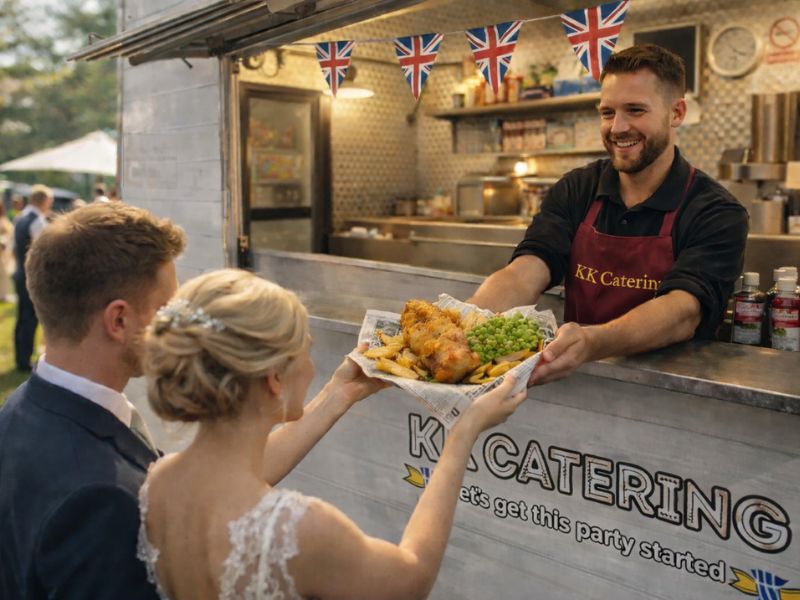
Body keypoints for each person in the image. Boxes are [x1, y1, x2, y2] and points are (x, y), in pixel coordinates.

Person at [138, 269, 527, 598]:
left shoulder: (159, 481)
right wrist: (463, 432)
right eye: (306, 352)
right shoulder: (298, 528)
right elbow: (411, 579)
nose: (311, 368)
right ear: (274, 378)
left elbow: (243, 472)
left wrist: (338, 394)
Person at [469, 44, 748, 385]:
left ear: (676, 113)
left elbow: (682, 312)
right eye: (607, 112)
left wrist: (592, 342)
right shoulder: (577, 188)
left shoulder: (716, 211)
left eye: (635, 110)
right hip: (576, 380)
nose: (617, 127)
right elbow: (528, 268)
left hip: (672, 393)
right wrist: (464, 322)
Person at [0, 202, 186, 599]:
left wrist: (338, 394)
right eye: (167, 309)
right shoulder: (102, 502)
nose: (179, 326)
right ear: (118, 320)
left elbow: (192, 477)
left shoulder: (25, 407)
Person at [12, 184, 53, 371]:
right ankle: (25, 360)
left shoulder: (20, 218)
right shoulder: (37, 222)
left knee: (22, 318)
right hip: (30, 275)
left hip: (19, 272)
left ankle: (20, 357)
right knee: (30, 318)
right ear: (44, 201)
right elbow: (42, 253)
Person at [0, 202, 13, 301]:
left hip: (3, 252)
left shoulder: (4, 220)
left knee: (4, 273)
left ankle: (3, 294)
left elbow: (9, 233)